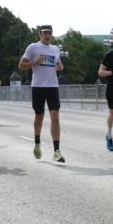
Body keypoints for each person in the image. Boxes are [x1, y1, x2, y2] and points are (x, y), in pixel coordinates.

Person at [18, 25, 65, 163]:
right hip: (38, 86)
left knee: (55, 117)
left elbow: (59, 64)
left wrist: (60, 67)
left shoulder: (55, 49)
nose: (48, 35)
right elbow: (21, 65)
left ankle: (56, 151)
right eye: (45, 33)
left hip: (52, 86)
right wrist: (34, 62)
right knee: (39, 116)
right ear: (40, 34)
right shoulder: (33, 47)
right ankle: (37, 143)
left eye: (50, 33)